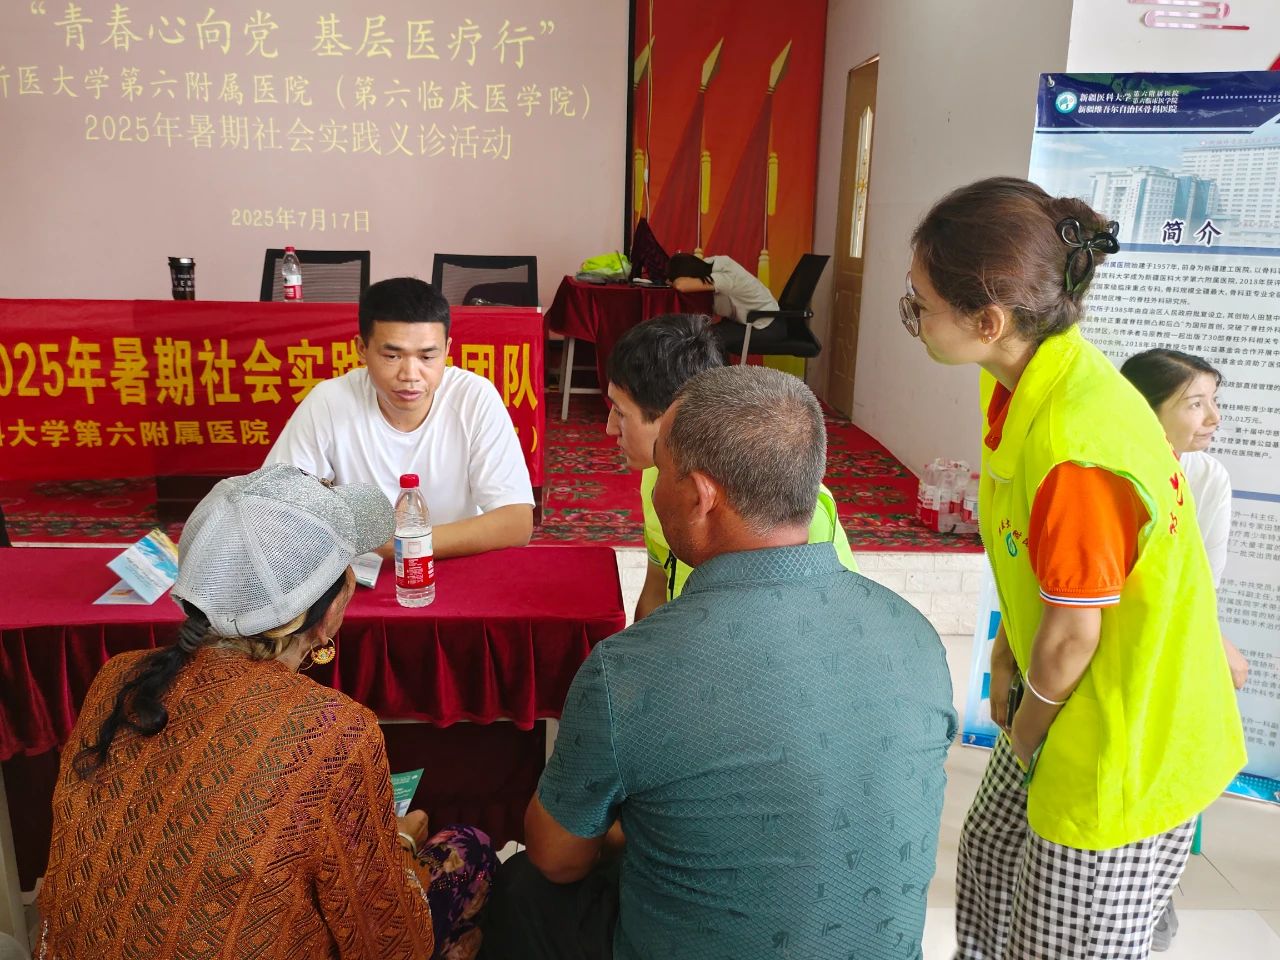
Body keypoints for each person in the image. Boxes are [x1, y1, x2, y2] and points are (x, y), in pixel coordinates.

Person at [480, 366, 957, 960]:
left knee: (524, 888)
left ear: (702, 496)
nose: (653, 490)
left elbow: (556, 856)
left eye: (661, 470)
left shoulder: (630, 670)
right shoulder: (915, 635)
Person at [900, 177, 1246, 959]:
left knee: (1062, 938)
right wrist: (1004, 654)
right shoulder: (1029, 379)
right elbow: (1037, 562)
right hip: (1065, 695)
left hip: (1120, 734)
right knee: (992, 877)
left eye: (920, 303)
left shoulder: (1075, 445)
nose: (914, 315)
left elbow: (1074, 633)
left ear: (988, 321)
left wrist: (1025, 733)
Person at [37, 464, 497, 959]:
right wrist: (399, 846)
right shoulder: (331, 733)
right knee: (467, 851)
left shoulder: (118, 677)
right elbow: (391, 945)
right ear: (326, 615)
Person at [605, 312, 858, 619]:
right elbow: (657, 586)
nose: (609, 428)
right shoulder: (656, 477)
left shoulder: (793, 508)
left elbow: (832, 619)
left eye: (620, 413)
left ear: (671, 416)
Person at [266, 277, 534, 560]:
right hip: (364, 573)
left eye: (427, 357)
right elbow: (272, 508)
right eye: (392, 356)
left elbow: (516, 523)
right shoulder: (330, 401)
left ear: (447, 350)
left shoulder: (473, 397)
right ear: (362, 349)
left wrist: (400, 545)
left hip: (454, 561)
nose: (410, 375)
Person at [1121, 348, 1248, 690]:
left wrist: (1213, 639)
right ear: (1145, 410)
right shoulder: (1102, 473)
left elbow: (1201, 585)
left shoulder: (1208, 477)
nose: (1214, 417)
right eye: (1195, 405)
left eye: (1214, 401)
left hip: (1163, 645)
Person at [665, 252, 784, 356]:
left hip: (766, 326)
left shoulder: (726, 277)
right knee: (696, 335)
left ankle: (714, 374)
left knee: (702, 341)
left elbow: (681, 285)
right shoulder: (707, 265)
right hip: (742, 322)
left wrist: (672, 281)